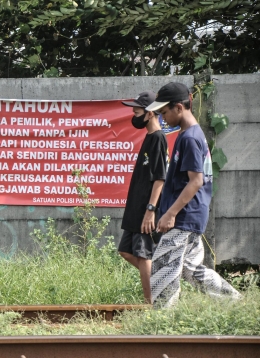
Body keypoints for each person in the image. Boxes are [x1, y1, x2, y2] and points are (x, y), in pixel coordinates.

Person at [145, 82, 241, 308]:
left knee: (162, 272)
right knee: (191, 269)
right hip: (192, 215)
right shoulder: (190, 134)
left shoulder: (189, 138)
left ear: (179, 107)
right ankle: (235, 302)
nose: (162, 118)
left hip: (182, 217)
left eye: (164, 112)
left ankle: (162, 327)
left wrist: (170, 213)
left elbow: (196, 180)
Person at [119, 91, 168, 304]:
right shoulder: (149, 137)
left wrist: (151, 210)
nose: (134, 115)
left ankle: (151, 302)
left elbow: (160, 178)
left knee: (142, 254)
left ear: (149, 113)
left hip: (145, 209)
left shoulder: (158, 138)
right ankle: (161, 279)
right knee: (126, 251)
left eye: (137, 111)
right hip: (135, 207)